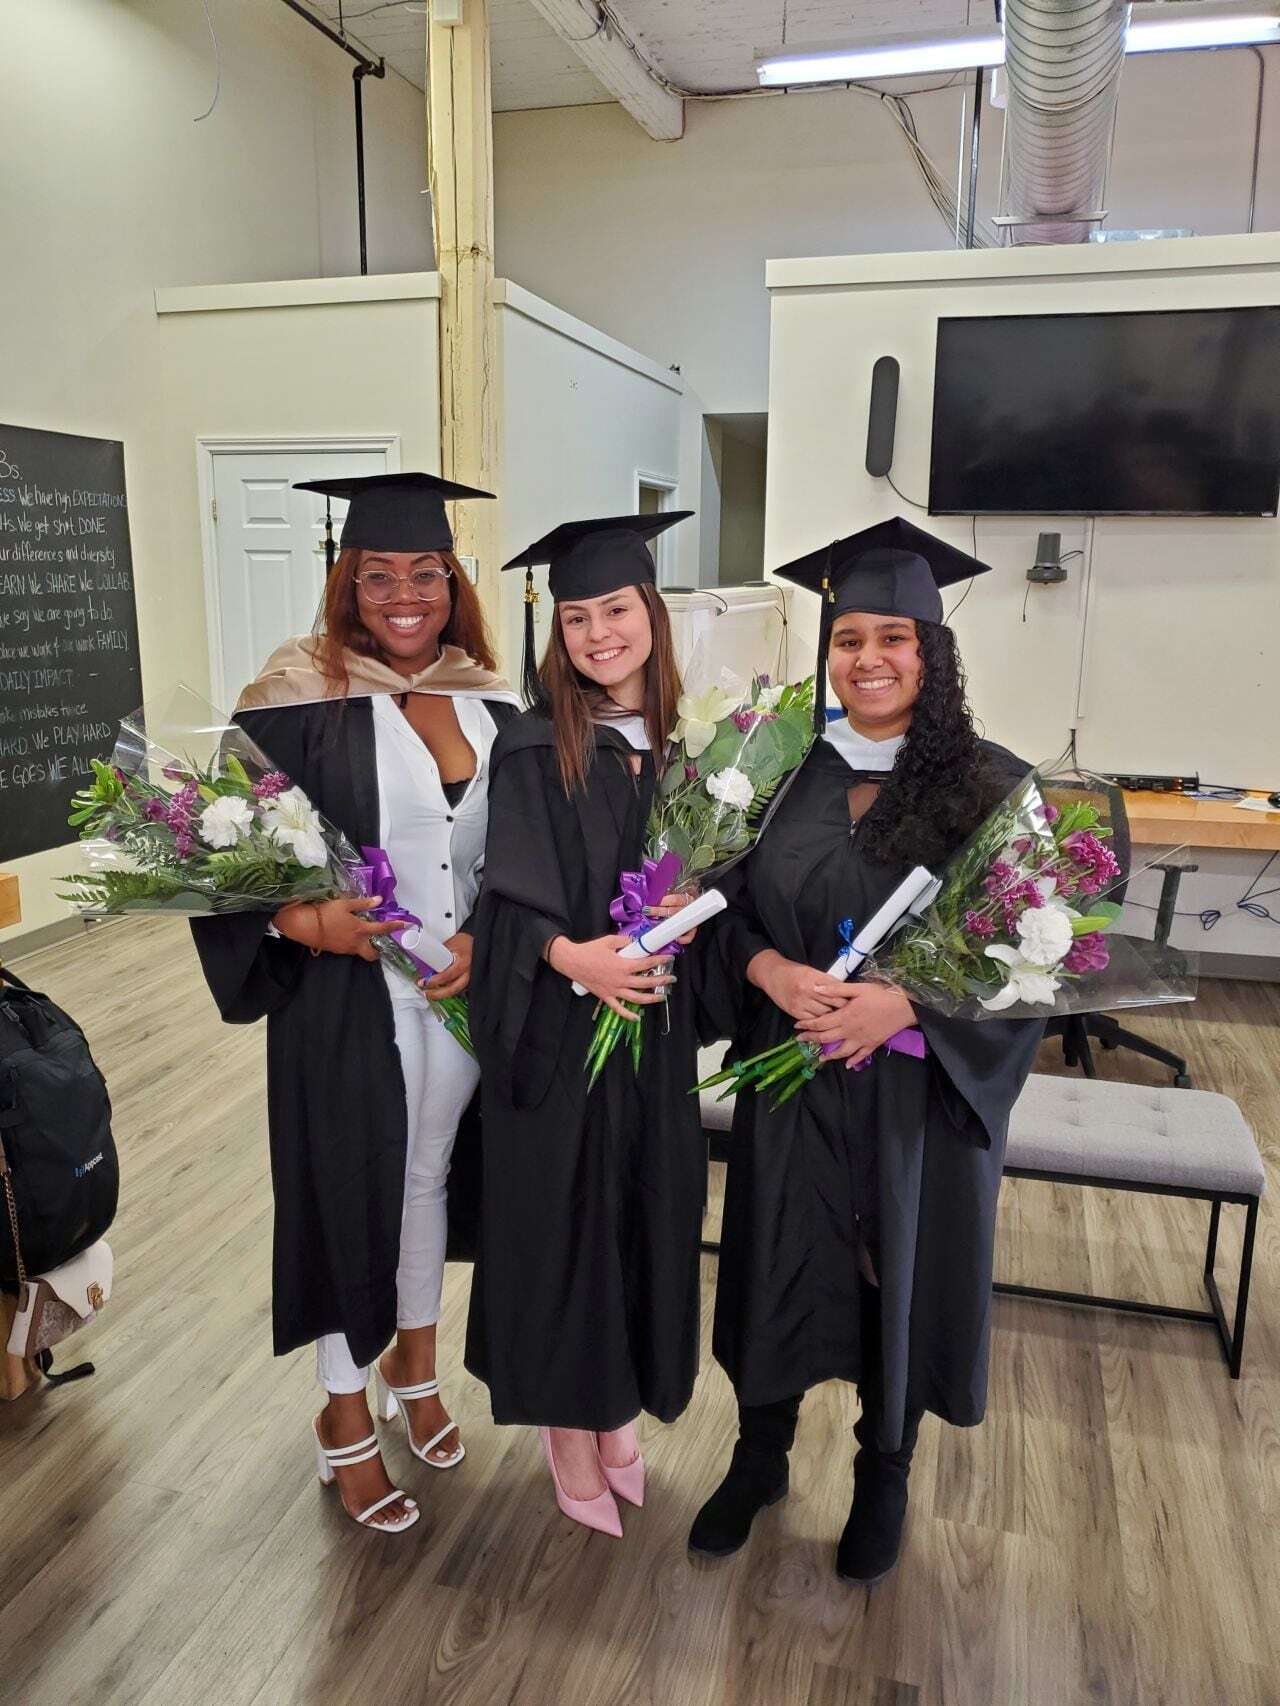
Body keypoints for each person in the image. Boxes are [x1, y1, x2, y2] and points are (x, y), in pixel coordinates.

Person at [689, 516, 1044, 1583]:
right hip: (791, 1073)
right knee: (774, 1256)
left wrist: (907, 1009)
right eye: (849, 638)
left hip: (910, 1098)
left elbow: (1029, 957)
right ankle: (759, 1456)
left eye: (895, 637)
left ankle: (885, 1471)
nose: (869, 658)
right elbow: (718, 906)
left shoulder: (989, 785)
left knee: (898, 1267)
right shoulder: (765, 771)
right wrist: (765, 970)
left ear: (932, 653)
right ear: (827, 651)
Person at [192, 472, 520, 1534]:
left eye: (425, 572)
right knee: (350, 1192)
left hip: (455, 995)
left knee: (427, 1178)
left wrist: (487, 934)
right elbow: (216, 854)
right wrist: (302, 923)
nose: (404, 595)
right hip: (344, 1001)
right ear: (347, 582)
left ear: (452, 582)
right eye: (378, 575)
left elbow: (525, 853)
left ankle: (414, 1370)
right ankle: (342, 1407)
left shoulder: (491, 699)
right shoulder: (293, 698)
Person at [465, 511, 703, 1538]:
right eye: (576, 617)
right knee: (564, 1229)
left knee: (640, 1217)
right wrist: (574, 959)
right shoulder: (532, 744)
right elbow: (501, 901)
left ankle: (615, 1412)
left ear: (651, 612)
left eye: (615, 609)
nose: (599, 633)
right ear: (555, 630)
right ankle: (567, 1431)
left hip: (650, 1038)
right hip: (558, 1041)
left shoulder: (697, 747)